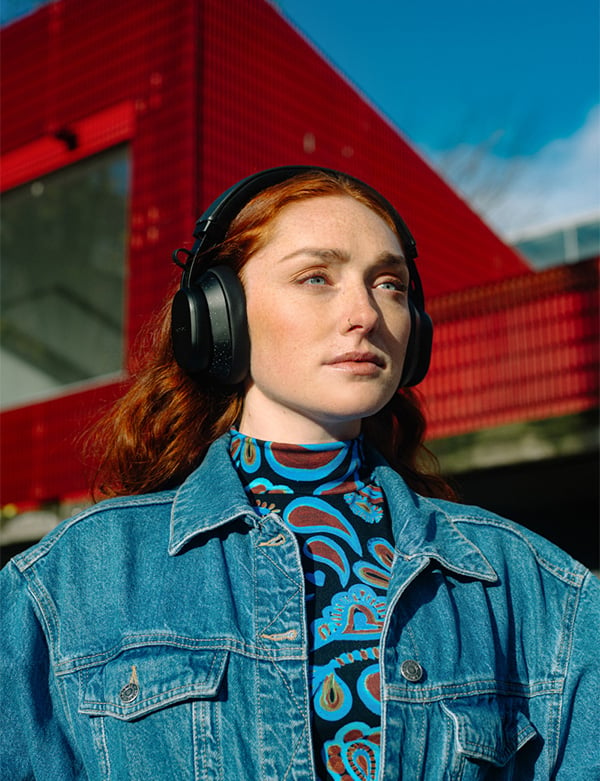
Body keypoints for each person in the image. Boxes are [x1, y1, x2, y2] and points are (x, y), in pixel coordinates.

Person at [0, 166, 598, 781]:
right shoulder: (74, 579)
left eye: (389, 284)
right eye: (316, 277)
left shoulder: (532, 588)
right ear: (218, 316)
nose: (366, 313)